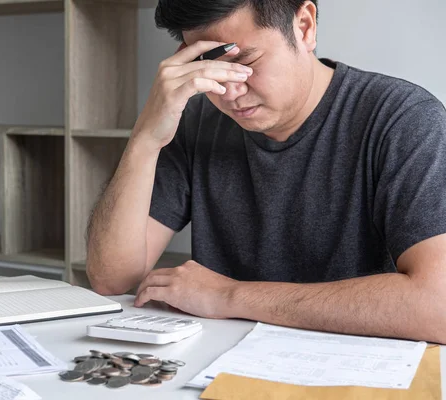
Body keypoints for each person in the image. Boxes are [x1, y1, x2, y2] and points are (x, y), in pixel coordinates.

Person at [85, 0, 446, 343]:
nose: (229, 92)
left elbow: (438, 306)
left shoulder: (404, 121)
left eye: (243, 62)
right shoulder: (196, 123)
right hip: (218, 367)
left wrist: (230, 296)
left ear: (304, 25)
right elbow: (111, 277)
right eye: (210, 69)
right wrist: (145, 139)